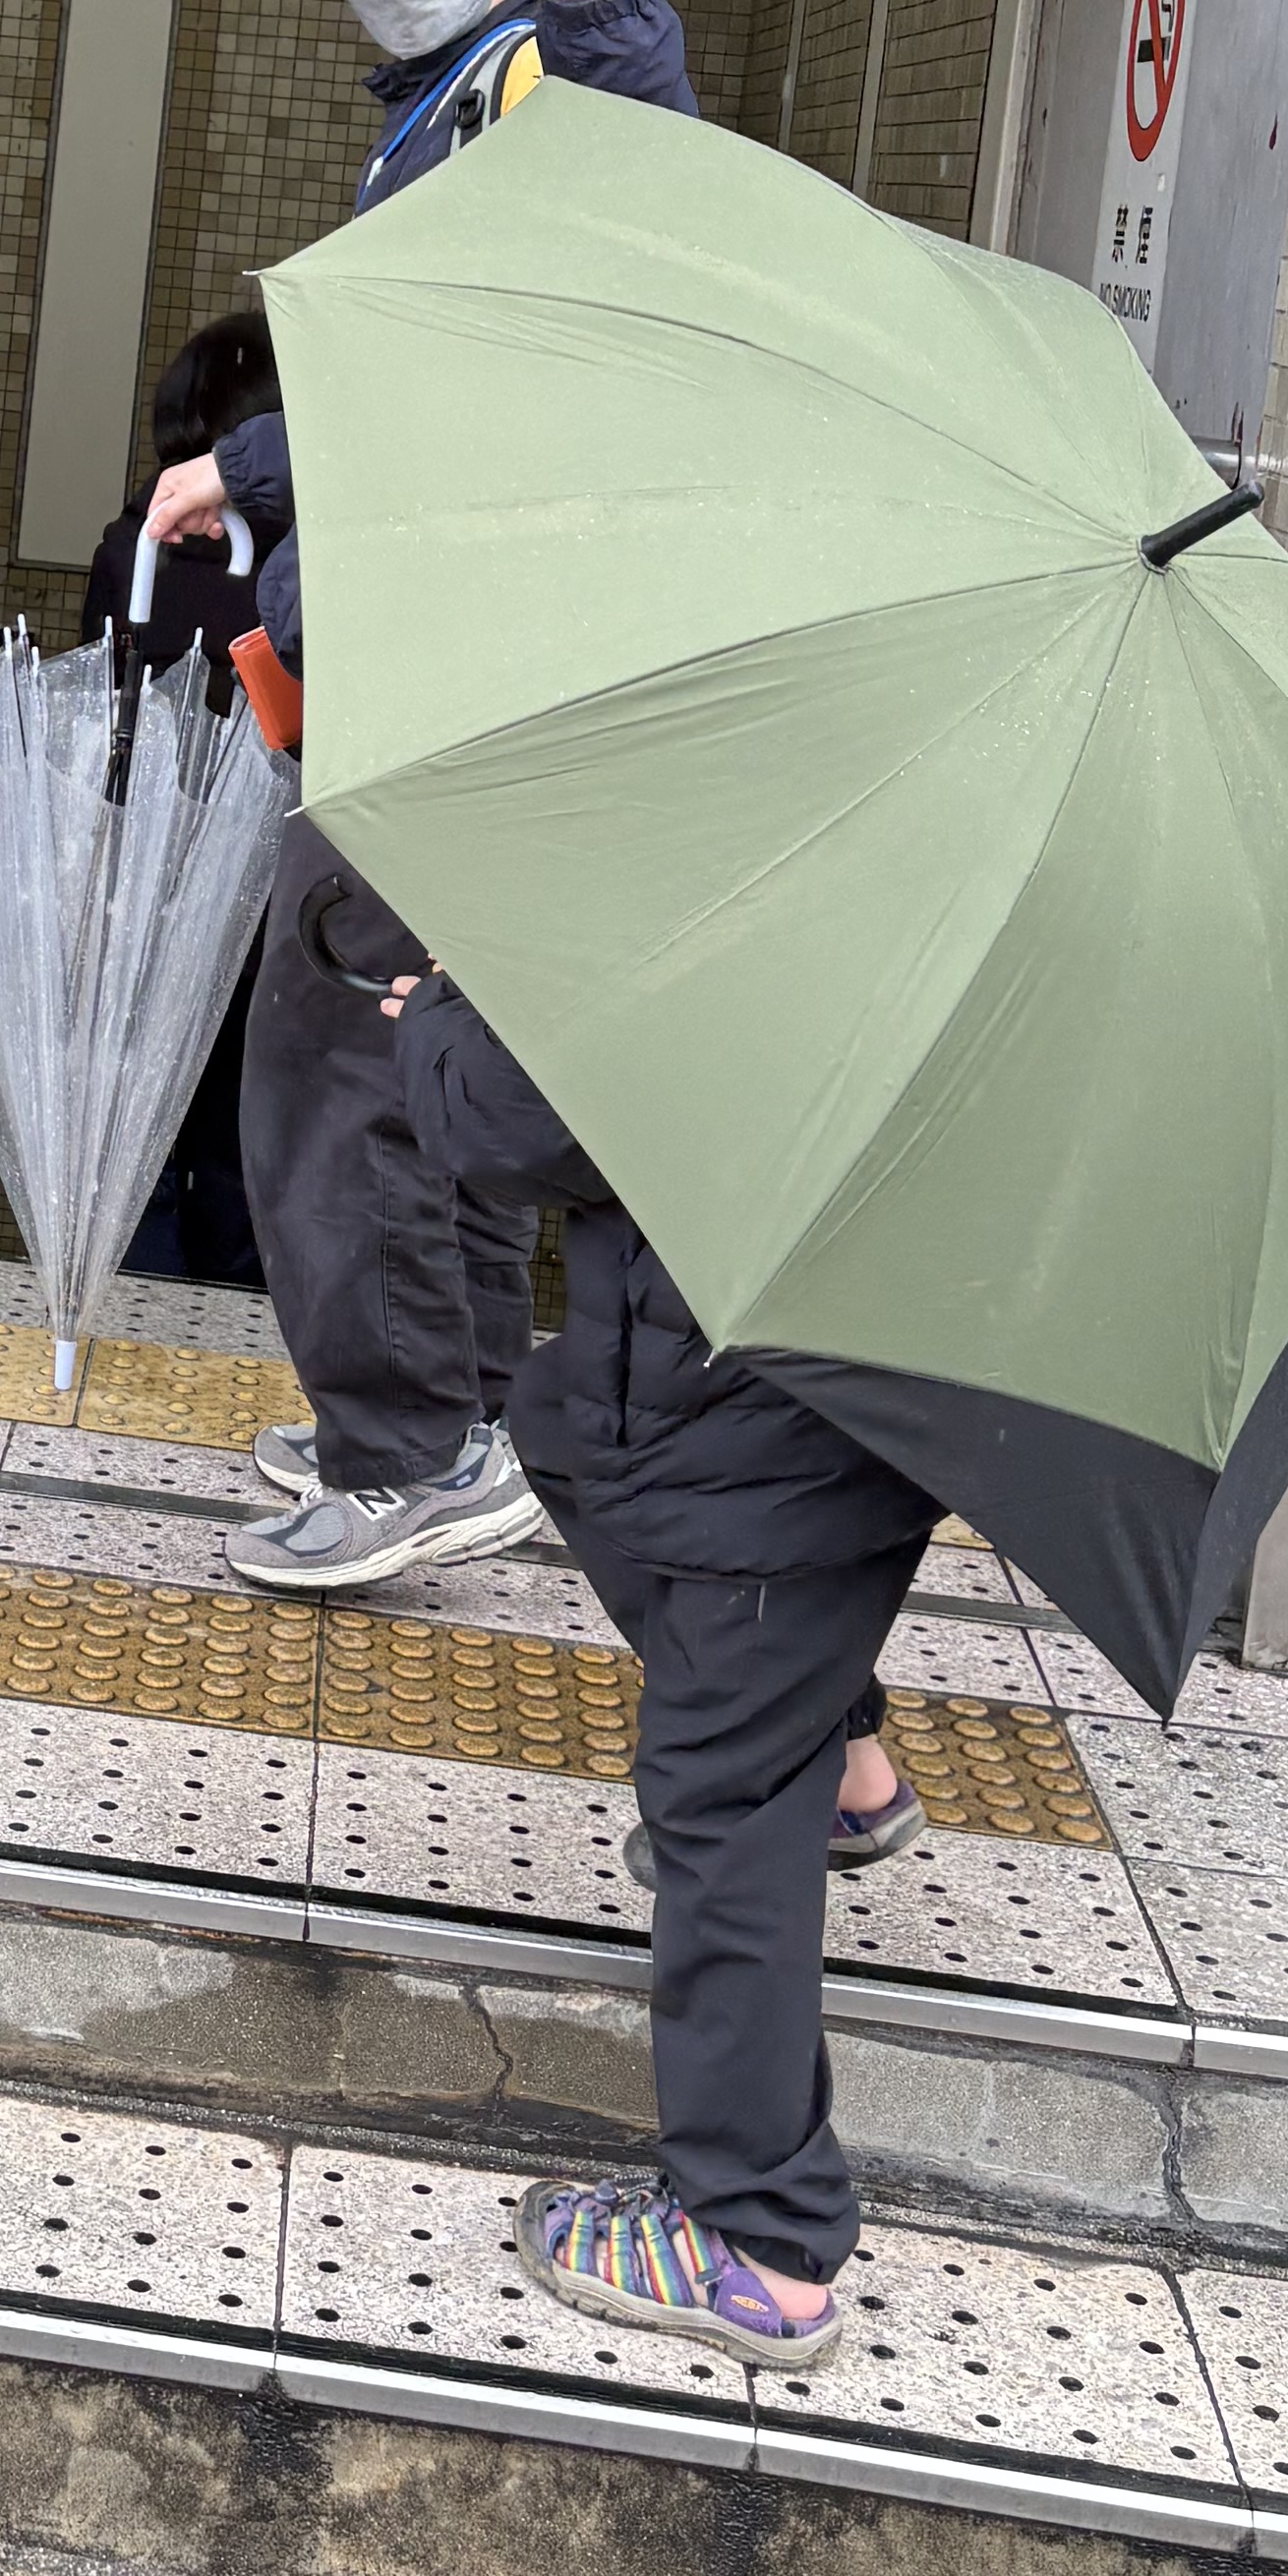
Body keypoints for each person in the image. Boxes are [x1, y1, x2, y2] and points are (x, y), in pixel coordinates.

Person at [143, 0, 698, 1592]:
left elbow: (603, 237)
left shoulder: (533, 71)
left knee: (336, 1047)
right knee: (412, 1040)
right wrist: (270, 477)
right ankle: (441, 1411)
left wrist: (607, 9)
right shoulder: (434, 103)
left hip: (451, 657)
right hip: (425, 639)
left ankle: (401, 1453)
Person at [395, 975, 929, 2370]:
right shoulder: (970, 927)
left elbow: (514, 1125)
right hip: (872, 1401)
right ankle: (852, 1763)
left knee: (726, 1801)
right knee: (558, 1417)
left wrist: (443, 1016)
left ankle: (759, 2238)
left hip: (747, 1429)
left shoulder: (759, 883)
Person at [83, 308, 285, 1285]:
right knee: (247, 1141)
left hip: (142, 886)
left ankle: (136, 1326)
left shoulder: (131, 552)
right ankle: (234, 1336)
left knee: (142, 1136)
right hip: (271, 895)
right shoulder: (299, 571)